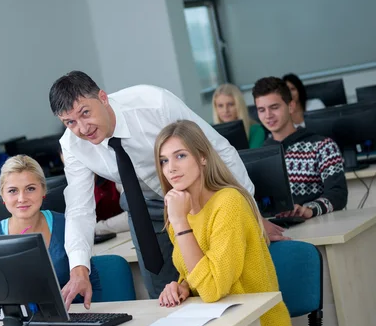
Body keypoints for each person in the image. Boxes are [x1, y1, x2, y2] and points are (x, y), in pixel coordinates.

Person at [48, 71, 286, 307]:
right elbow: (79, 209)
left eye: (85, 113)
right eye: (70, 122)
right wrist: (79, 268)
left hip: (203, 203)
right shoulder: (72, 145)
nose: (82, 128)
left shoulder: (154, 104)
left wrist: (251, 211)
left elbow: (218, 149)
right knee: (165, 295)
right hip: (145, 209)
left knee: (222, 280)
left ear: (103, 97)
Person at [155, 120, 292, 326]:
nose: (171, 168)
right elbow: (197, 272)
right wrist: (182, 285)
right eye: (164, 160)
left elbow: (212, 288)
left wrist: (180, 224)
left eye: (180, 156)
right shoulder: (179, 208)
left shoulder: (228, 203)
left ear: (202, 157)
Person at [0, 155, 102, 300]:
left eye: (30, 189)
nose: (22, 198)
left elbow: (91, 283)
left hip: (75, 315)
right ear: (2, 195)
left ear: (44, 190)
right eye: (13, 191)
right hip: (20, 321)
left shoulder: (67, 225)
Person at [253, 77, 347, 217]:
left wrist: (310, 209)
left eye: (274, 107)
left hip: (317, 226)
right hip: (274, 230)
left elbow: (338, 194)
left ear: (291, 106)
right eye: (261, 110)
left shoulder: (323, 146)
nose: (268, 115)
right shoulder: (258, 155)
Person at [212, 83, 265, 148]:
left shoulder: (255, 130)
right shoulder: (210, 133)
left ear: (239, 105)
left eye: (231, 104)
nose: (225, 110)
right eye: (220, 106)